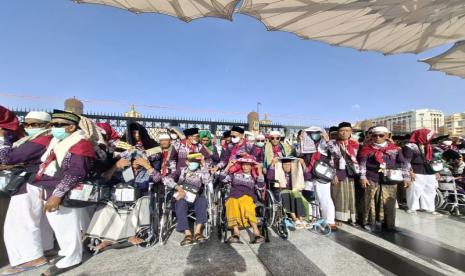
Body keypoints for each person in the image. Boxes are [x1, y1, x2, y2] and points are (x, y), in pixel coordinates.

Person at [3, 110, 96, 276]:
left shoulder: (80, 144)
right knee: (60, 227)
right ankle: (66, 254)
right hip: (49, 188)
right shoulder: (58, 141)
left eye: (58, 125)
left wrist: (56, 195)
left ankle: (72, 257)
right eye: (53, 124)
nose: (53, 128)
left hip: (62, 190)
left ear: (71, 127)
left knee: (67, 226)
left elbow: (76, 172)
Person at [86, 151, 163, 253]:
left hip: (140, 198)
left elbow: (158, 179)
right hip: (121, 199)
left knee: (142, 202)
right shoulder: (125, 171)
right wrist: (116, 166)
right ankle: (107, 239)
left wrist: (147, 166)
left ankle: (131, 235)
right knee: (104, 205)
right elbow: (104, 179)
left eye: (138, 159)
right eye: (133, 159)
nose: (135, 161)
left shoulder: (147, 171)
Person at [358, 127, 410, 231]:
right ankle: (368, 223)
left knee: (389, 203)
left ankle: (389, 224)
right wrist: (362, 177)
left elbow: (404, 163)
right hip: (372, 178)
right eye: (374, 135)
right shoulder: (366, 149)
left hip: (390, 179)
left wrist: (406, 177)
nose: (377, 137)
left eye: (381, 135)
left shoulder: (394, 149)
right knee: (369, 201)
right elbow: (362, 164)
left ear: (387, 136)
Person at [295, 127, 337, 229]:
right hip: (309, 175)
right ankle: (313, 218)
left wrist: (327, 141)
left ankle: (330, 221)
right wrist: (301, 141)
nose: (314, 135)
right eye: (311, 133)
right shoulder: (305, 144)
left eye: (317, 133)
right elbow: (298, 154)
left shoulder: (326, 144)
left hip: (322, 175)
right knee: (310, 198)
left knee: (325, 198)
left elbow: (336, 154)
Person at [220, 156, 265, 244]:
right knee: (231, 203)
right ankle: (236, 233)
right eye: (244, 165)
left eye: (248, 165)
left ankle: (256, 233)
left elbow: (261, 187)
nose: (245, 167)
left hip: (247, 196)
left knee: (246, 203)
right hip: (234, 195)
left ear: (251, 166)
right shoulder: (235, 175)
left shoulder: (254, 177)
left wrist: (259, 170)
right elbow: (222, 179)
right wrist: (228, 166)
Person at [174, 154, 211, 246]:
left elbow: (207, 181)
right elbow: (167, 179)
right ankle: (187, 233)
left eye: (196, 162)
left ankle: (198, 232)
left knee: (202, 201)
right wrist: (178, 188)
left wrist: (204, 166)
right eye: (192, 161)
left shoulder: (201, 171)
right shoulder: (181, 171)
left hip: (197, 196)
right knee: (180, 203)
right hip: (183, 195)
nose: (194, 163)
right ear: (187, 162)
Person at [327, 122, 360, 224]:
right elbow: (328, 160)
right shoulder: (331, 144)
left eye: (347, 130)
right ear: (338, 132)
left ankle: (350, 217)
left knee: (350, 195)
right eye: (342, 131)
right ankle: (338, 217)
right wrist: (333, 174)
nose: (344, 133)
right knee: (337, 195)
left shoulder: (355, 145)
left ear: (351, 132)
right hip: (337, 174)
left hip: (350, 174)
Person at [403, 129, 440, 215]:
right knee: (414, 190)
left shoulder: (428, 146)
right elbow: (406, 161)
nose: (430, 138)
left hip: (429, 171)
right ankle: (412, 207)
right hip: (416, 171)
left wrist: (436, 171)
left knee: (430, 190)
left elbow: (433, 159)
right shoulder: (410, 146)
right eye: (428, 136)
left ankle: (429, 208)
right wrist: (410, 172)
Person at [266, 157, 309, 229]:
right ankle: (295, 219)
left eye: (289, 165)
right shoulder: (278, 173)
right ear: (281, 165)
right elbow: (269, 177)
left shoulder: (295, 173)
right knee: (287, 194)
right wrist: (273, 164)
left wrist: (303, 164)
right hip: (280, 191)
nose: (287, 166)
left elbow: (308, 177)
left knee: (297, 195)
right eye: (285, 165)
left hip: (293, 191)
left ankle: (301, 219)